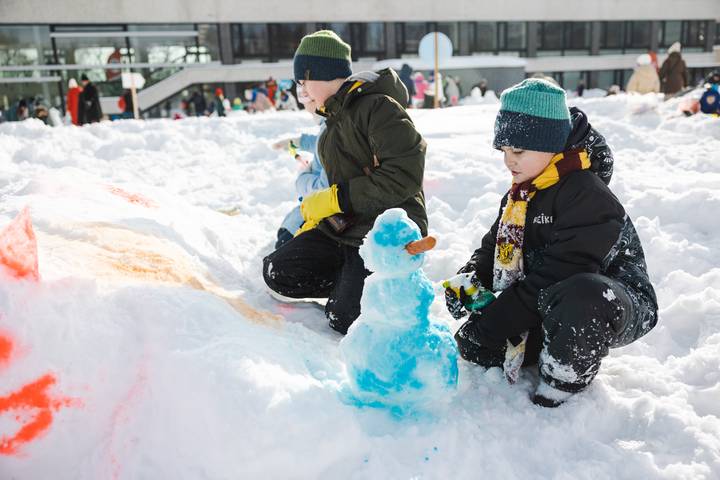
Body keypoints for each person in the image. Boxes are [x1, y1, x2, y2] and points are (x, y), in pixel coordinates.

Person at [446, 79, 657, 407]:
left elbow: (560, 273)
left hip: (612, 300)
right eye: (503, 151)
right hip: (550, 296)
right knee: (476, 347)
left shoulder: (587, 196)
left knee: (581, 295)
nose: (508, 161)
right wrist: (472, 277)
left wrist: (496, 321)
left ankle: (563, 382)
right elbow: (495, 246)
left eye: (518, 150)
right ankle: (547, 340)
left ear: (551, 145)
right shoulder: (522, 193)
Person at [263, 30, 427, 334]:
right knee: (278, 272)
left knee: (345, 318)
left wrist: (336, 200)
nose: (301, 91)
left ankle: (371, 285)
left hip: (383, 229)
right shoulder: (333, 120)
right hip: (345, 226)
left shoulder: (379, 108)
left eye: (303, 81)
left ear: (323, 75)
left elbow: (403, 174)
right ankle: (351, 283)